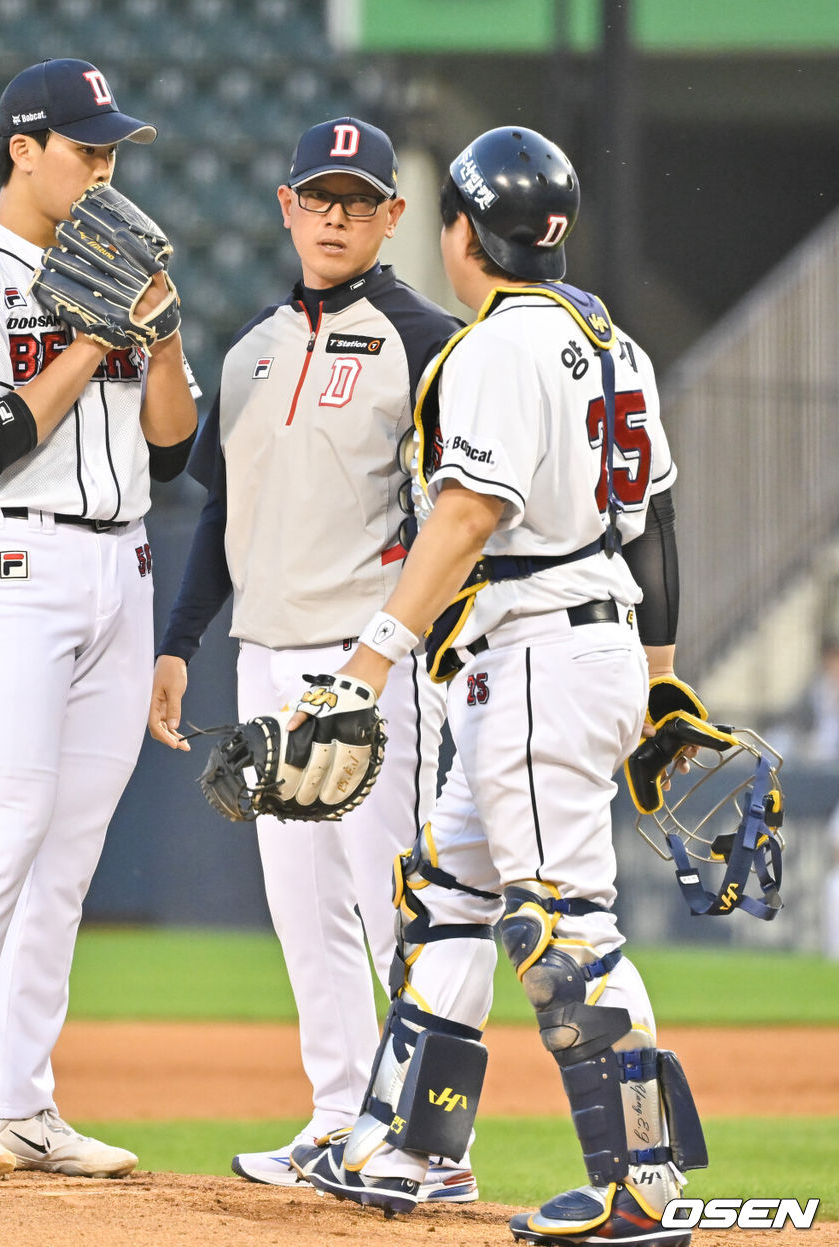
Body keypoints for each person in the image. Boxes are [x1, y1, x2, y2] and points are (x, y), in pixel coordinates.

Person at [290, 126, 708, 1246]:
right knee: (449, 899)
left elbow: (469, 514)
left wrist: (366, 659)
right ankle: (411, 1149)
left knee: (565, 926)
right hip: (584, 642)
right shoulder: (611, 340)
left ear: (463, 229)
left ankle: (644, 1184)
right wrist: (660, 686)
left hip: (532, 652)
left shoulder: (492, 350)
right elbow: (656, 519)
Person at [0, 58, 198, 1180]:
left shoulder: (115, 263)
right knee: (2, 831)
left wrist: (154, 334)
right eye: (85, 149)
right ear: (23, 149)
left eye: (112, 151)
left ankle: (18, 1101)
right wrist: (90, 335)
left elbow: (174, 448)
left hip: (126, 562)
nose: (104, 170)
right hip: (18, 554)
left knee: (67, 856)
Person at [149, 117, 477, 1203]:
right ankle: (339, 1114)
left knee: (393, 900)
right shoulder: (248, 348)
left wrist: (422, 640)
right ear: (285, 207)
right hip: (266, 653)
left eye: (358, 199)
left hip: (369, 655)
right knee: (301, 903)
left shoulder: (427, 338)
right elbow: (220, 513)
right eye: (317, 196)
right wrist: (178, 641)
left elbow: (465, 509)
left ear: (391, 216)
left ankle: (431, 1141)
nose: (335, 216)